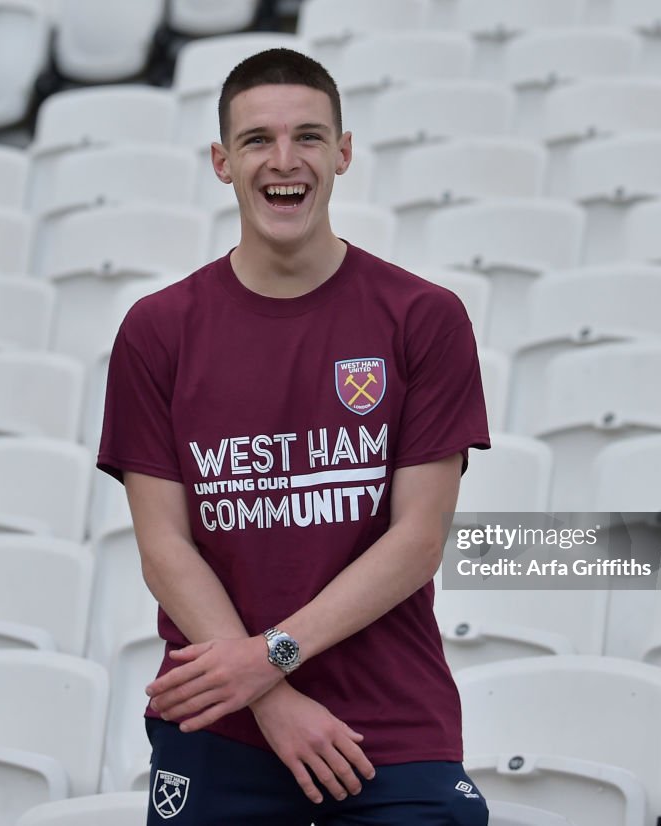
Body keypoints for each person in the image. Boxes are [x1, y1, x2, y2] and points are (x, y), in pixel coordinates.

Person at [97, 47, 491, 825]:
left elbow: (417, 539)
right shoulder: (157, 332)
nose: (285, 161)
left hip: (389, 727)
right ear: (221, 161)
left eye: (309, 137)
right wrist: (269, 698)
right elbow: (165, 549)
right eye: (257, 141)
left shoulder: (422, 317)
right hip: (222, 726)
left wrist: (265, 660)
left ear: (344, 152)